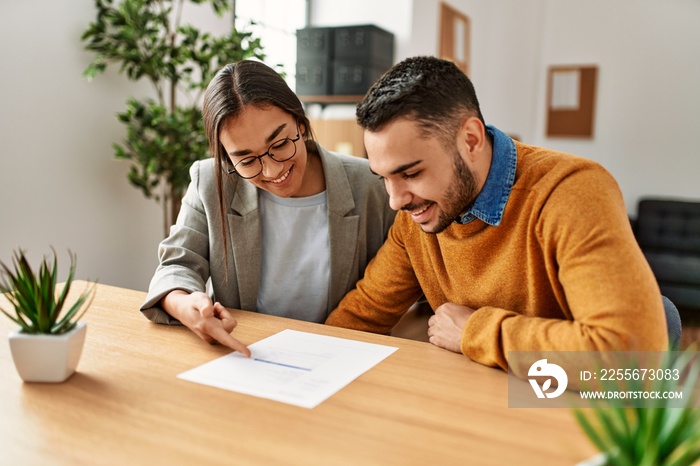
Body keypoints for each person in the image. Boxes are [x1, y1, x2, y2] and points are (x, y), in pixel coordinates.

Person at [325, 56, 668, 370]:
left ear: (471, 140)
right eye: (384, 178)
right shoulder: (418, 217)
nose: (395, 200)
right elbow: (363, 312)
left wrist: (475, 331)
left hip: (570, 406)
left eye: (411, 174)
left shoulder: (571, 192)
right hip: (484, 405)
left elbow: (633, 357)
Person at [140, 60, 396, 356]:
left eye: (280, 143)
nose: (273, 170)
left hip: (343, 356)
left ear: (300, 122)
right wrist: (185, 304)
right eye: (246, 160)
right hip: (247, 352)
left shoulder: (370, 184)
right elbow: (176, 265)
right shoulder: (211, 181)